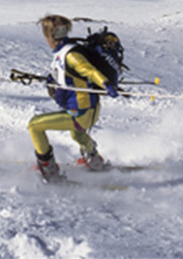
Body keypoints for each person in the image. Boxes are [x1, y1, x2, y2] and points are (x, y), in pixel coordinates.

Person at [28, 14, 119, 181]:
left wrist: (105, 84)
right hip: (86, 110)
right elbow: (71, 75)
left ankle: (49, 171)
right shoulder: (67, 49)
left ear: (49, 35)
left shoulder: (70, 54)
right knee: (76, 135)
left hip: (81, 113)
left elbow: (88, 70)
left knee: (34, 125)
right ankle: (94, 160)